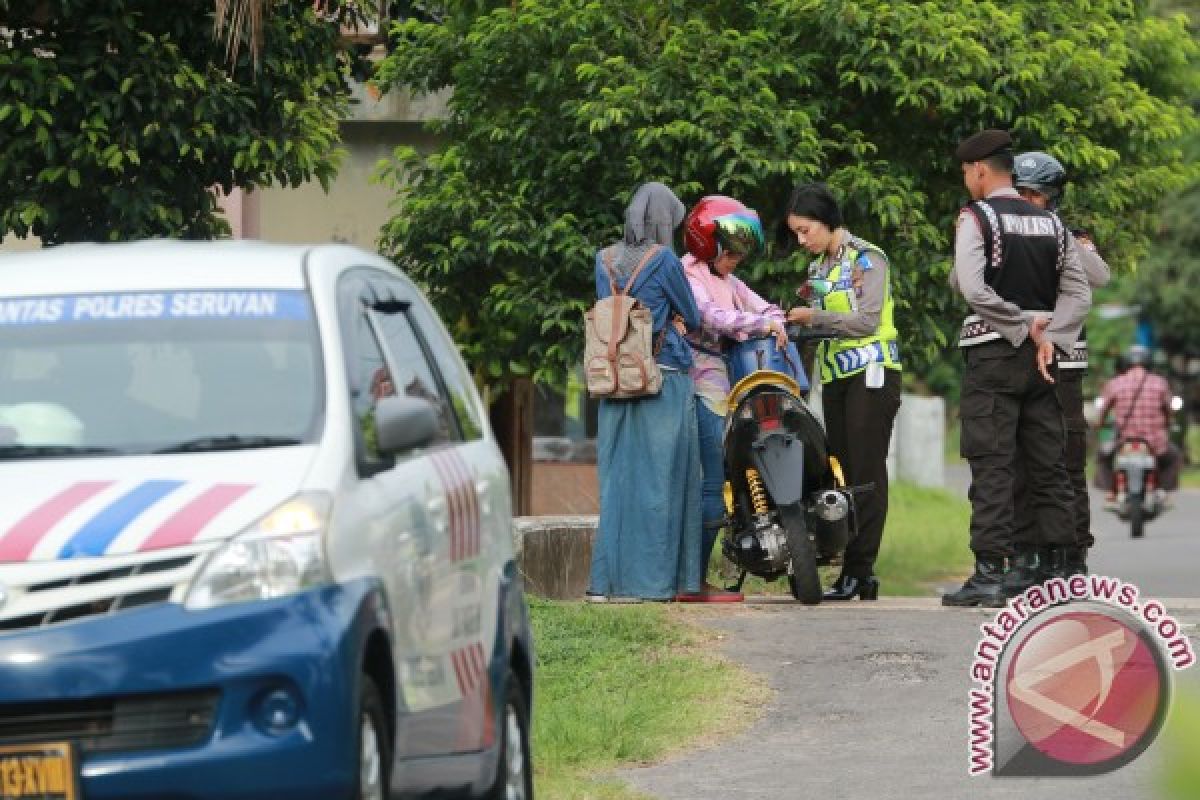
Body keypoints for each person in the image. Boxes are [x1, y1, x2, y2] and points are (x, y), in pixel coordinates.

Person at [941, 129, 1090, 608]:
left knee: (993, 463)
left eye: (967, 172)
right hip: (1045, 360)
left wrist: (1020, 326)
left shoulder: (976, 216)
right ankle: (1061, 570)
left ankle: (991, 573)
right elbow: (1079, 293)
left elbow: (973, 288)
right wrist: (1053, 335)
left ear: (981, 170)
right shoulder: (1051, 222)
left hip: (993, 352)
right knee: (1048, 464)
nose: (967, 181)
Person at [781, 183, 902, 601]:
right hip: (834, 377)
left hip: (872, 373)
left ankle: (860, 570)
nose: (801, 240)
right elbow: (823, 326)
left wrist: (815, 316)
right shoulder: (819, 270)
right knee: (841, 471)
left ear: (827, 220)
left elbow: (867, 321)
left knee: (866, 473)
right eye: (796, 232)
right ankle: (853, 569)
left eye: (805, 230)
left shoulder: (868, 259)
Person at [586, 182, 705, 603]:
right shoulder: (665, 259)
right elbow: (690, 315)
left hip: (616, 380)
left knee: (617, 480)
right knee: (663, 479)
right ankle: (654, 584)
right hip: (662, 376)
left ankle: (604, 584)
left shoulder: (604, 259)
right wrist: (671, 319)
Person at [1006, 151, 1110, 591]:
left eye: (1036, 195)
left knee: (1066, 457)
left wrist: (1061, 236)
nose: (1028, 202)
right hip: (1018, 356)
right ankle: (1028, 553)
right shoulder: (1000, 233)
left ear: (1052, 198)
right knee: (1020, 460)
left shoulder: (1071, 234)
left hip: (1064, 362)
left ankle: (1070, 554)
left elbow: (1100, 275)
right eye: (1021, 193)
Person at [680, 195, 785, 602]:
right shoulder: (689, 274)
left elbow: (768, 307)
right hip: (698, 381)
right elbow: (712, 318)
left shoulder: (727, 280)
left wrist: (771, 319)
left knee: (716, 478)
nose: (737, 258)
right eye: (731, 249)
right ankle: (692, 582)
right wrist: (762, 323)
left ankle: (694, 578)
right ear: (708, 241)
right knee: (709, 482)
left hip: (720, 383)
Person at [1095, 344, 1181, 503]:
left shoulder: (1115, 383)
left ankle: (1110, 491)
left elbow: (1103, 410)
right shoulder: (1160, 383)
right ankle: (1163, 490)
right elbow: (1169, 410)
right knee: (1174, 456)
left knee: (1103, 456)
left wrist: (1099, 423)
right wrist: (1169, 423)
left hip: (1124, 441)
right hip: (1154, 443)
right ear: (1149, 363)